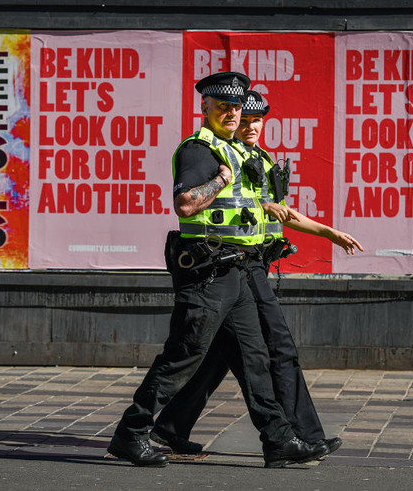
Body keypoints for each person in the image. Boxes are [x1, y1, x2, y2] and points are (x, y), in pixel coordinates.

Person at [107, 73, 326, 468]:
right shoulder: (199, 150)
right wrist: (220, 179)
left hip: (237, 269)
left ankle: (278, 441)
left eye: (236, 107)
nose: (230, 113)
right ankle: (131, 433)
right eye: (222, 106)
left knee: (254, 356)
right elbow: (185, 204)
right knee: (184, 355)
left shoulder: (235, 149)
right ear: (204, 107)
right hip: (207, 271)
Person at [151, 90, 363, 458]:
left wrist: (328, 232)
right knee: (275, 350)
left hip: (250, 264)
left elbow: (279, 210)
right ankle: (298, 435)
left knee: (220, 356)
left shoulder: (258, 157)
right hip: (235, 265)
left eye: (254, 120)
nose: (248, 126)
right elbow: (201, 202)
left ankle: (171, 426)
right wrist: (260, 204)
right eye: (241, 119)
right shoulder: (213, 151)